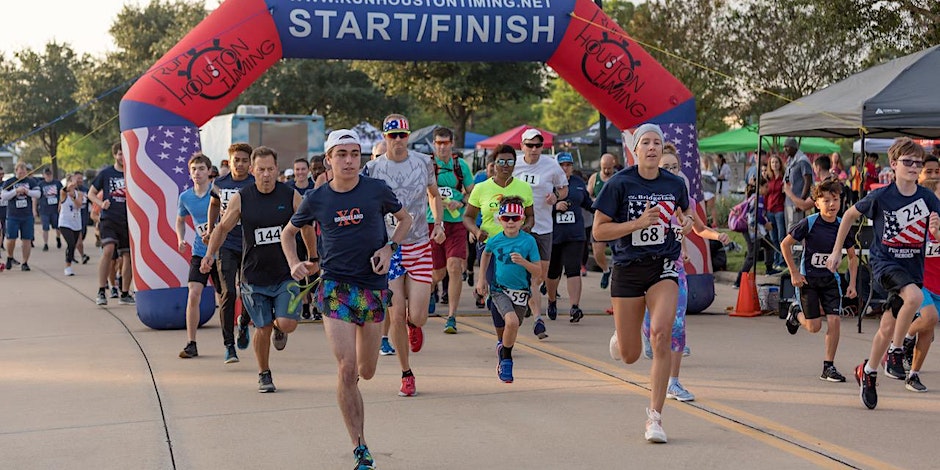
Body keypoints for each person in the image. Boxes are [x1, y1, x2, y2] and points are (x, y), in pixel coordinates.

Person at [281, 129, 411, 470]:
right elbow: (288, 232)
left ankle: (362, 370)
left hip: (372, 286)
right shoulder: (317, 197)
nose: (349, 160)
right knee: (347, 369)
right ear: (329, 160)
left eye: (355, 154)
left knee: (366, 371)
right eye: (342, 154)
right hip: (335, 287)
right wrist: (296, 263)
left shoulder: (376, 190)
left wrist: (389, 247)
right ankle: (360, 447)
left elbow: (406, 219)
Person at [827, 138, 940, 410]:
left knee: (886, 327)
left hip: (912, 267)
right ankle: (896, 352)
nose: (914, 167)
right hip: (885, 264)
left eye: (918, 163)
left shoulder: (927, 198)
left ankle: (868, 371)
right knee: (913, 298)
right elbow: (848, 216)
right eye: (908, 162)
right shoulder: (881, 196)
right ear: (893, 164)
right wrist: (836, 251)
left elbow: (936, 234)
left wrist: (936, 231)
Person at [597, 123, 689, 443]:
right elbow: (599, 232)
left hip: (662, 266)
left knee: (662, 335)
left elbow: (686, 215)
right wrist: (637, 223)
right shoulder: (619, 184)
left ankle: (655, 418)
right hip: (627, 268)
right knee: (630, 355)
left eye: (657, 143)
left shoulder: (675, 184)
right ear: (635, 150)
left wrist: (687, 222)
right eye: (645, 142)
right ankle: (624, 336)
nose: (652, 148)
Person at [201, 146, 307, 393]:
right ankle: (264, 373)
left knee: (287, 323)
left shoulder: (290, 195)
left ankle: (282, 329)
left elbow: (307, 226)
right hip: (254, 275)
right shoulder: (242, 197)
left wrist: (312, 257)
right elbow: (222, 228)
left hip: (285, 273)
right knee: (263, 327)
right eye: (261, 170)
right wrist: (209, 255)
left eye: (271, 169)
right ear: (253, 170)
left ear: (277, 170)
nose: (267, 174)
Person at [362, 113, 445, 397]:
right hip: (390, 249)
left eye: (402, 135)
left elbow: (434, 195)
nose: (398, 140)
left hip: (420, 243)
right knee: (395, 314)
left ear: (408, 136)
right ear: (384, 138)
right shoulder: (373, 168)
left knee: (418, 316)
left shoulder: (423, 162)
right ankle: (406, 373)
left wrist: (439, 224)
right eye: (392, 136)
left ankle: (415, 325)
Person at [637, 143, 727, 404]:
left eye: (675, 167)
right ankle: (644, 332)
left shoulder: (683, 199)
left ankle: (674, 383)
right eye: (666, 167)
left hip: (675, 272)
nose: (672, 171)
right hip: (646, 269)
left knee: (677, 326)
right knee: (649, 324)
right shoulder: (644, 197)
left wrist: (715, 236)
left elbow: (699, 228)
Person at [781, 179, 858, 382]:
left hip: (831, 281)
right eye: (826, 200)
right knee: (813, 327)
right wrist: (794, 273)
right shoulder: (810, 222)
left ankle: (828, 366)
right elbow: (785, 245)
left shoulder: (843, 226)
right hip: (809, 281)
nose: (831, 204)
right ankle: (795, 312)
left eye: (835, 199)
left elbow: (852, 257)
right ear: (817, 203)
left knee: (834, 321)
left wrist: (852, 284)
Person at [464, 146, 534, 349]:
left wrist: (527, 228)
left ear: (515, 164)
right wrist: (477, 232)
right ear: (493, 164)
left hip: (517, 248)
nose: (505, 166)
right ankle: (501, 341)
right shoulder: (481, 188)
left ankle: (507, 329)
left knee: (515, 294)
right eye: (501, 162)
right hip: (490, 247)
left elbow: (530, 216)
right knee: (496, 289)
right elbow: (467, 217)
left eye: (510, 162)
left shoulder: (523, 188)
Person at [476, 196, 540, 383]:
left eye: (515, 218)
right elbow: (486, 254)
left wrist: (524, 262)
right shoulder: (495, 240)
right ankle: (506, 360)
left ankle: (503, 349)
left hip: (521, 291)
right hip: (499, 289)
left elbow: (538, 271)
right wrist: (481, 280)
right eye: (506, 218)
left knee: (513, 325)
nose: (510, 222)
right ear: (500, 220)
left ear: (521, 220)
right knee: (510, 322)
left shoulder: (529, 242)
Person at [512, 128, 568, 337]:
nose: (534, 149)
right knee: (530, 274)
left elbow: (564, 188)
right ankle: (538, 318)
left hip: (544, 226)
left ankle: (528, 298)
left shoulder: (551, 165)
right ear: (522, 146)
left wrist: (556, 196)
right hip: (520, 226)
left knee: (540, 276)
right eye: (530, 145)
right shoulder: (515, 165)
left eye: (537, 145)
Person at [176, 154, 225, 361]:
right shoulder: (185, 197)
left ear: (209, 171)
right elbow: (180, 220)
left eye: (201, 169)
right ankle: (191, 343)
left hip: (222, 250)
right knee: (193, 292)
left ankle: (230, 339)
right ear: (190, 173)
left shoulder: (218, 192)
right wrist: (181, 238)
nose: (197, 173)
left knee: (226, 295)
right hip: (199, 251)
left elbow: (229, 215)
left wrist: (215, 230)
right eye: (194, 169)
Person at [207, 143, 255, 353]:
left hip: (251, 244)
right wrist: (211, 230)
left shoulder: (255, 183)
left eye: (245, 160)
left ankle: (243, 323)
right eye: (237, 160)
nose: (241, 164)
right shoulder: (220, 183)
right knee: (228, 293)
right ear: (230, 161)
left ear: (250, 163)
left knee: (249, 291)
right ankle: (228, 344)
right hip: (226, 243)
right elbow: (214, 205)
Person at [427, 127, 474, 334]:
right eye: (438, 143)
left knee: (454, 266)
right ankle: (427, 291)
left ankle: (452, 317)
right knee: (437, 272)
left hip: (455, 224)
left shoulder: (460, 165)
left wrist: (460, 201)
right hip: (432, 223)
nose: (442, 147)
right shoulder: (427, 165)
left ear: (452, 143)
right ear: (434, 144)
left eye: (446, 143)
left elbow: (473, 193)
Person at [901, 177, 940, 392]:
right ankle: (905, 338)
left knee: (927, 330)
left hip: (938, 285)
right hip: (919, 281)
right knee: (930, 317)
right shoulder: (916, 225)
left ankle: (913, 374)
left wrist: (937, 235)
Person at [545, 152, 594, 322]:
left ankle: (575, 307)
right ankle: (551, 301)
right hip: (554, 234)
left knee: (573, 269)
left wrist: (605, 209)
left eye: (568, 165)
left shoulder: (578, 184)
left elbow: (589, 204)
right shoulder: (548, 184)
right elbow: (537, 209)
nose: (565, 168)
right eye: (562, 165)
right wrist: (555, 207)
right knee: (553, 271)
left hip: (575, 234)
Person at [88, 143, 134, 305]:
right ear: (115, 155)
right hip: (109, 218)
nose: (123, 157)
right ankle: (102, 290)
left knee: (128, 256)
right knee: (108, 250)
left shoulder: (133, 172)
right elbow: (91, 193)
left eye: (125, 154)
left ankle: (125, 293)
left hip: (128, 220)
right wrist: (100, 204)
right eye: (120, 154)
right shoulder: (106, 173)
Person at [287, 156, 318, 321]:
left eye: (303, 169)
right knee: (300, 271)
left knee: (314, 270)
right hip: (295, 235)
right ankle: (304, 305)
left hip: (312, 233)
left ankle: (316, 305)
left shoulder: (315, 188)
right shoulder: (288, 188)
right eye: (297, 169)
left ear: (308, 171)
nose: (300, 172)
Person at [735, 180, 776, 287]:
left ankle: (769, 268)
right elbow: (757, 215)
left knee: (769, 246)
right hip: (753, 231)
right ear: (760, 187)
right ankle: (739, 280)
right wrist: (766, 223)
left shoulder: (753, 197)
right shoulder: (759, 198)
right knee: (752, 255)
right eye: (766, 186)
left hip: (756, 230)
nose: (768, 189)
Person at [1, 162, 40, 271]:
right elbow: (4, 196)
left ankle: (25, 262)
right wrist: (15, 191)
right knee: (11, 238)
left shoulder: (31, 182)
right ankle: (10, 256)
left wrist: (27, 191)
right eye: (20, 170)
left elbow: (38, 194)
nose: (22, 172)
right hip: (13, 215)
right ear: (16, 170)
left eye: (24, 170)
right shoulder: (10, 182)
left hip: (27, 215)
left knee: (26, 239)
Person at [587, 153, 617, 289]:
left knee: (617, 250)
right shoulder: (595, 178)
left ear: (614, 164)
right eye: (604, 168)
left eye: (609, 168)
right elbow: (588, 196)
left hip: (615, 221)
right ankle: (605, 269)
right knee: (598, 252)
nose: (606, 171)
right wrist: (594, 202)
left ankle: (616, 277)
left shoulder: (618, 178)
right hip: (599, 220)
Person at [58, 173, 86, 277]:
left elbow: (79, 204)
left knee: (73, 244)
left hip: (76, 222)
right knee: (70, 243)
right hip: (65, 222)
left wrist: (74, 195)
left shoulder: (79, 194)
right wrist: (68, 188)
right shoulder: (63, 193)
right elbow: (63, 191)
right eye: (73, 180)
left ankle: (70, 260)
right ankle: (67, 266)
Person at [783, 137, 814, 231]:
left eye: (787, 147)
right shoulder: (790, 161)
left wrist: (802, 200)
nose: (785, 149)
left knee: (795, 231)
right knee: (789, 229)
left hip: (797, 203)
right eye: (784, 147)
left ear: (794, 148)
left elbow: (807, 181)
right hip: (788, 201)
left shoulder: (802, 160)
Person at [766, 155, 786, 269]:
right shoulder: (768, 178)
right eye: (772, 163)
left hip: (779, 209)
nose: (774, 165)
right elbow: (765, 194)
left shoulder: (782, 178)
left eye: (776, 162)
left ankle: (782, 260)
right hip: (770, 210)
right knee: (773, 237)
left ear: (780, 164)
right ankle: (776, 259)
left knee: (781, 236)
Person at [37, 167, 63, 252]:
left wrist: (60, 203)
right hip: (44, 209)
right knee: (45, 227)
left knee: (57, 226)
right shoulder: (40, 184)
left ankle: (58, 238)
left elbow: (62, 194)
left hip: (55, 209)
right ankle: (45, 243)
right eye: (46, 174)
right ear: (44, 175)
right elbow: (36, 197)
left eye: (49, 174)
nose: (48, 176)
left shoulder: (57, 183)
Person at [74, 171, 91, 265]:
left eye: (81, 178)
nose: (80, 180)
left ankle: (71, 252)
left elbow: (91, 201)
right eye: (78, 178)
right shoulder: (71, 190)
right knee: (78, 239)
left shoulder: (86, 190)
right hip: (74, 217)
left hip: (84, 217)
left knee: (82, 235)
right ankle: (83, 255)